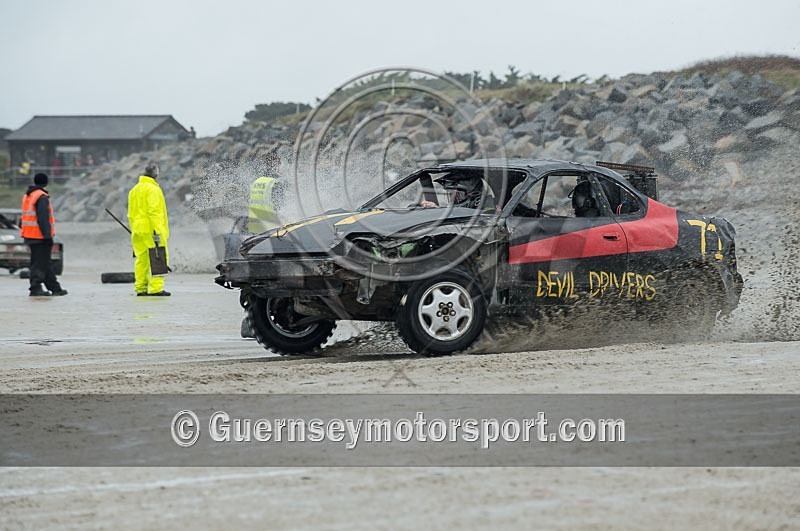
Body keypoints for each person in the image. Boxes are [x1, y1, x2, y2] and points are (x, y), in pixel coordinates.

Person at [240, 174, 284, 338]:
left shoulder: (257, 182)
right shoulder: (276, 185)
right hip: (272, 234)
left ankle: (249, 322)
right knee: (273, 280)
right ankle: (255, 323)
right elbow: (280, 208)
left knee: (256, 279)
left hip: (255, 233)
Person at [127, 162, 171, 296]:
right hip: (152, 230)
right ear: (156, 175)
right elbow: (154, 212)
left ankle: (140, 288)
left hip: (137, 230)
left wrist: (135, 228)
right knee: (159, 258)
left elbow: (130, 213)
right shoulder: (153, 190)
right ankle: (155, 288)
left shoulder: (134, 190)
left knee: (142, 260)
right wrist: (158, 232)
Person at [20, 173, 68, 296]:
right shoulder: (41, 197)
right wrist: (47, 236)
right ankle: (35, 288)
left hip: (30, 235)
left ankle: (55, 288)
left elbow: (23, 218)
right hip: (39, 237)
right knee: (39, 264)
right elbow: (43, 219)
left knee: (45, 263)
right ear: (46, 183)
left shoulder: (28, 195)